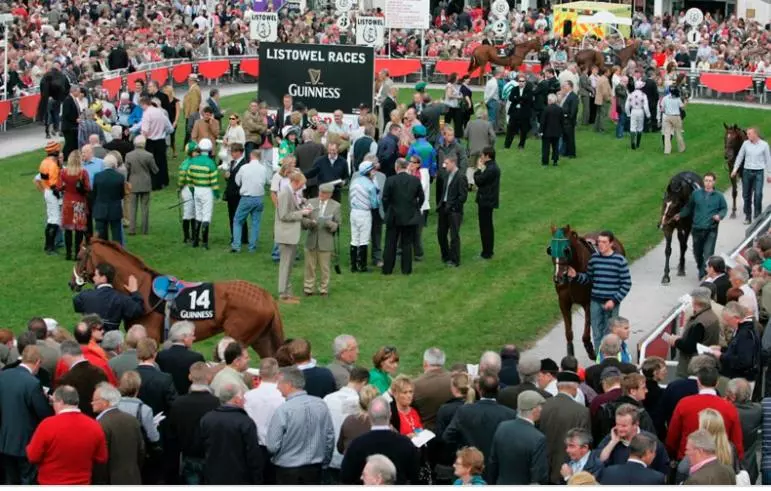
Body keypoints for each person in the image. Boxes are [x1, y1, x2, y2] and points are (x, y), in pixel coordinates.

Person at [26, 385, 107, 485]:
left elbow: (33, 456)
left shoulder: (47, 425)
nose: (52, 406)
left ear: (60, 402)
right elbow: (101, 458)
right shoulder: (94, 426)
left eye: (53, 402)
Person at [266, 366, 335, 485]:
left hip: (287, 471)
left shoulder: (284, 410)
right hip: (315, 469)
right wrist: (324, 463)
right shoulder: (321, 404)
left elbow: (272, 446)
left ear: (289, 385)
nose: (277, 387)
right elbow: (329, 438)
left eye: (279, 383)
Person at [567, 231, 632, 348]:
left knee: (611, 334)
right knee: (597, 334)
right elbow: (589, 279)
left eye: (604, 242)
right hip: (595, 302)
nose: (600, 245)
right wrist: (576, 275)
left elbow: (626, 284)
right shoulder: (594, 259)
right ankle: (600, 361)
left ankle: (612, 359)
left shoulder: (620, 261)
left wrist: (614, 300)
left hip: (612, 303)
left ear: (611, 243)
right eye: (598, 242)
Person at [666, 365, 744, 461]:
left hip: (688, 458)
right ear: (717, 383)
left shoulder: (684, 403)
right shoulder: (729, 407)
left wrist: (673, 455)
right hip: (719, 460)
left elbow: (672, 436)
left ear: (698, 381)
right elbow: (736, 441)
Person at [0, 346, 53, 484]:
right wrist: (48, 402)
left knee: (9, 480)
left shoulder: (4, 375)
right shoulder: (32, 383)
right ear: (37, 362)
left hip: (3, 440)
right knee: (27, 480)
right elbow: (43, 413)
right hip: (24, 442)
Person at [443, 373, 516, 474]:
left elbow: (448, 436)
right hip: (496, 469)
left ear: (479, 389)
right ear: (498, 389)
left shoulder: (464, 411)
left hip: (470, 467)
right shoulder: (510, 414)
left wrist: (463, 450)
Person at [340, 396, 421, 484]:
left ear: (369, 416)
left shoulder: (357, 444)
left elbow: (346, 476)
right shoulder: (405, 443)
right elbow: (415, 475)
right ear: (390, 415)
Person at [166, 362, 220, 485]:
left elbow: (172, 434)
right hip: (209, 456)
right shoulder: (215, 403)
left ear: (190, 377)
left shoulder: (178, 403)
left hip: (187, 456)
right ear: (209, 377)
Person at [539, 371, 591, 484]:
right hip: (566, 469)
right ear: (575, 387)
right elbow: (585, 441)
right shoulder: (582, 412)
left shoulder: (542, 406)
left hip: (542, 466)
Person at [674, 172, 728, 279]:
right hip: (697, 229)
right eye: (706, 181)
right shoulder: (696, 194)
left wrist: (719, 216)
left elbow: (724, 208)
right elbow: (689, 207)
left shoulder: (719, 196)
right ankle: (701, 268)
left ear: (714, 182)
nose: (708, 183)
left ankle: (704, 275)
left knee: (708, 254)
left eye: (710, 181)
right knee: (697, 252)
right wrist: (680, 214)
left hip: (711, 229)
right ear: (703, 182)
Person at [488, 391, 548, 484]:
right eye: (540, 406)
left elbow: (493, 462)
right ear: (534, 409)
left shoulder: (502, 427)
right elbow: (539, 475)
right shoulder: (538, 438)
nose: (541, 409)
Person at [91, 383, 144, 485]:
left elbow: (101, 459)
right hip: (133, 478)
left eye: (95, 400)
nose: (91, 403)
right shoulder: (132, 420)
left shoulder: (100, 424)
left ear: (105, 402)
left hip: (110, 481)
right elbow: (141, 451)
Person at [324, 366, 370, 478]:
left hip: (329, 457)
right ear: (364, 383)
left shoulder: (327, 399)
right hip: (349, 460)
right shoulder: (359, 403)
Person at [596, 404, 670, 474]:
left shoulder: (650, 440)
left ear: (636, 424)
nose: (619, 429)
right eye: (617, 424)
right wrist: (613, 442)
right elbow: (599, 462)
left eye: (624, 426)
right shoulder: (610, 438)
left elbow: (663, 467)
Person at [382, 158, 425, 275]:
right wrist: (416, 208)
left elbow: (385, 198)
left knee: (390, 243)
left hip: (393, 216)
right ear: (406, 167)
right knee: (407, 244)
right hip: (410, 217)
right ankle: (406, 269)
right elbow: (421, 197)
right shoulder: (415, 180)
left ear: (397, 167)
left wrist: (388, 210)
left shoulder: (390, 180)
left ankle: (387, 269)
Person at [72, 262, 144, 332]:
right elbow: (137, 310)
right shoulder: (121, 298)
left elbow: (77, 304)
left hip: (89, 341)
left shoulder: (85, 296)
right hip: (111, 341)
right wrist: (135, 292)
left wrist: (79, 285)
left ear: (103, 278)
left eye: (96, 275)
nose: (93, 278)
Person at [275, 171, 313, 304]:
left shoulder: (292, 193)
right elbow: (284, 215)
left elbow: (295, 206)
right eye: (301, 184)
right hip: (286, 235)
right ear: (295, 182)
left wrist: (304, 205)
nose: (302, 187)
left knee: (290, 265)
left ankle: (288, 292)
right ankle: (282, 294)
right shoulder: (285, 193)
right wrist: (301, 213)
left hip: (291, 235)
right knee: (285, 265)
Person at [669, 287, 722, 378]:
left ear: (695, 301)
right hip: (705, 362)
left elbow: (690, 346)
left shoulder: (700, 322)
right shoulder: (711, 316)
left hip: (693, 366)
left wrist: (676, 341)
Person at [299, 182, 341, 296]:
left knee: (325, 268)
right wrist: (310, 223)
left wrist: (329, 224)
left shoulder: (336, 206)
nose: (321, 194)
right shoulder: (311, 202)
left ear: (330, 194)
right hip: (311, 239)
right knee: (309, 266)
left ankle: (324, 289)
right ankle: (308, 288)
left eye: (324, 193)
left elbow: (337, 224)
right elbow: (303, 220)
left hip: (326, 240)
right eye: (320, 192)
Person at [230, 148, 270, 253]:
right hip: (259, 198)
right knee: (255, 223)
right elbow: (267, 181)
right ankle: (252, 247)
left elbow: (237, 181)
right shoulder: (263, 168)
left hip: (247, 197)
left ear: (251, 156)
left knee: (238, 220)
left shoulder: (244, 167)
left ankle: (236, 246)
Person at [731, 127, 771, 224]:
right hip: (747, 172)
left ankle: (757, 216)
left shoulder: (764, 145)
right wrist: (735, 169)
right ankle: (748, 216)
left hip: (758, 173)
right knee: (746, 195)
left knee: (758, 194)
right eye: (747, 134)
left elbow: (768, 159)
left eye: (749, 134)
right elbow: (740, 156)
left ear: (755, 134)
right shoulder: (745, 144)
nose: (747, 135)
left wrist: (769, 173)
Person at [716, 301, 761, 385]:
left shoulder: (745, 333)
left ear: (736, 318)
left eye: (727, 320)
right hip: (739, 378)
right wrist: (721, 349)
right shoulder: (744, 329)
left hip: (741, 381)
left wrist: (721, 356)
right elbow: (737, 350)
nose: (726, 323)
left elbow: (744, 361)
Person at [726, 378, 762, 482]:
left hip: (731, 466)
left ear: (732, 396)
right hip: (750, 467)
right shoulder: (758, 410)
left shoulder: (729, 412)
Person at [156, 321, 205, 395]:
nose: (194, 338)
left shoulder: (160, 355)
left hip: (164, 400)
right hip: (187, 401)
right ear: (184, 337)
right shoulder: (196, 357)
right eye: (192, 335)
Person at [436, 156, 468, 268]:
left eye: (447, 163)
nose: (444, 165)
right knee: (441, 234)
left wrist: (454, 207)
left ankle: (455, 260)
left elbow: (463, 196)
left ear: (454, 163)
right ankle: (446, 256)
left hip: (454, 210)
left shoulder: (461, 177)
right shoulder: (447, 175)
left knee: (454, 236)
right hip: (444, 207)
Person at [188, 138, 220, 249]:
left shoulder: (193, 161)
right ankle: (205, 243)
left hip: (196, 189)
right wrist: (217, 194)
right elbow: (214, 182)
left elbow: (189, 178)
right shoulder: (211, 163)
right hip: (207, 191)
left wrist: (192, 191)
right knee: (206, 215)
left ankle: (195, 241)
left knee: (198, 214)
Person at [58, 150, 91, 260]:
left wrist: (65, 188)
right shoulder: (83, 172)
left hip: (67, 201)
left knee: (67, 229)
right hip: (79, 202)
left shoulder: (63, 172)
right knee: (79, 230)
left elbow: (59, 187)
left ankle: (68, 254)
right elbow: (88, 188)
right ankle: (77, 253)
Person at [349, 161, 380, 273]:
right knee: (364, 240)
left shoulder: (354, 182)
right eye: (372, 170)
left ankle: (353, 266)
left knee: (354, 239)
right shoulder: (370, 185)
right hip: (364, 213)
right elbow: (375, 204)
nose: (373, 171)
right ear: (368, 171)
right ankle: (362, 266)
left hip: (353, 212)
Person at [412, 347, 452, 432]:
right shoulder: (455, 379)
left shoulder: (416, 385)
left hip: (429, 434)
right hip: (453, 431)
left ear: (425, 363)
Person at [599, 433, 666, 485]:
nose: (654, 455)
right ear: (647, 453)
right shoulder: (657, 478)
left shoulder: (608, 472)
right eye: (653, 452)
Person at [124, 135, 158, 235]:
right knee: (145, 208)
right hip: (145, 183)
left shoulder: (129, 155)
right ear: (144, 144)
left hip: (133, 183)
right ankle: (144, 230)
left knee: (132, 207)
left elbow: (127, 170)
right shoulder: (149, 155)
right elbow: (155, 170)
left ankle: (132, 229)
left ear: (135, 143)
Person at [91, 153, 126, 243]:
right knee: (117, 236)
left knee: (101, 237)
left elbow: (94, 193)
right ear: (115, 164)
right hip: (115, 209)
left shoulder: (97, 176)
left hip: (100, 209)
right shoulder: (120, 177)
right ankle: (117, 254)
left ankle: (102, 254)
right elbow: (122, 194)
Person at [473, 147, 500, 260]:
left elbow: (479, 180)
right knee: (486, 226)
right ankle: (487, 251)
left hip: (486, 200)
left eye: (482, 156)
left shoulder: (490, 169)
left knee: (485, 227)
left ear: (487, 156)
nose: (481, 158)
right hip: (488, 199)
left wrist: (478, 169)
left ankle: (487, 252)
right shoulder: (492, 167)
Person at [138, 96, 171, 190]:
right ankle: (164, 181)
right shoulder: (160, 112)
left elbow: (145, 130)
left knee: (152, 163)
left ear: (144, 104)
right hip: (161, 140)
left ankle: (155, 185)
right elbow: (169, 127)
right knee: (162, 162)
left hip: (150, 141)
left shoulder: (146, 114)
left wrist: (142, 140)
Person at [222, 143, 250, 248]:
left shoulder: (244, 164)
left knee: (240, 216)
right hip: (230, 194)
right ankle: (235, 235)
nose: (232, 154)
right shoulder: (232, 162)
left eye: (233, 152)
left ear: (239, 152)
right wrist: (226, 176)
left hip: (238, 194)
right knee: (232, 216)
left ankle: (242, 237)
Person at [504, 75, 534, 150]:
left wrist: (517, 98)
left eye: (522, 81)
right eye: (519, 81)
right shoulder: (514, 89)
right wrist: (521, 99)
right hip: (514, 112)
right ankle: (507, 145)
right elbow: (511, 98)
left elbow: (529, 100)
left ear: (525, 82)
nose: (521, 83)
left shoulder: (529, 89)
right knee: (510, 129)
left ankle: (521, 145)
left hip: (524, 113)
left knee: (523, 130)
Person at [540, 93, 565, 167]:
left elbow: (543, 122)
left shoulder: (546, 109)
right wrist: (561, 131)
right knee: (555, 147)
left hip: (547, 132)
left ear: (550, 100)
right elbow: (562, 121)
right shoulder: (560, 109)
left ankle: (545, 162)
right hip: (556, 132)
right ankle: (555, 161)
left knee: (546, 148)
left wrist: (541, 131)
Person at [659, 87, 686, 154]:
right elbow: (682, 108)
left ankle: (667, 150)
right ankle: (681, 148)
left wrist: (666, 111)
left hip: (667, 117)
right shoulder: (677, 98)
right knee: (678, 133)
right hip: (676, 117)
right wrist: (685, 102)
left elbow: (662, 109)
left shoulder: (665, 98)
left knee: (667, 134)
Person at [625, 80, 650, 150]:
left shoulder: (630, 94)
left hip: (633, 111)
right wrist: (648, 115)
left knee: (632, 127)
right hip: (640, 111)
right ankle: (638, 143)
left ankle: (632, 142)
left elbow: (627, 105)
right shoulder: (643, 95)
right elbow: (646, 106)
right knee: (640, 128)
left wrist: (628, 113)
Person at [560, 81, 579, 158]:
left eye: (565, 85)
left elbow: (573, 111)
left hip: (569, 121)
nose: (564, 86)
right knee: (565, 137)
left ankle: (572, 153)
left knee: (570, 137)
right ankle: (566, 152)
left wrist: (566, 116)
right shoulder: (566, 95)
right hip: (565, 121)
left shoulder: (573, 96)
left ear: (570, 86)